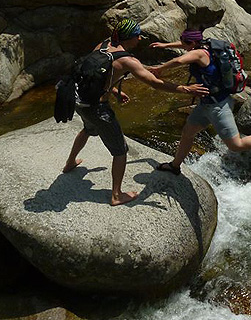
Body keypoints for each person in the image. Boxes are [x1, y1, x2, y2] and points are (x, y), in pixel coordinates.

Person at [62, 19, 209, 206]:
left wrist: (114, 91)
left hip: (80, 101)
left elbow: (93, 74)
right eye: (137, 35)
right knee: (120, 151)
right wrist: (185, 89)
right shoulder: (128, 61)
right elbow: (154, 83)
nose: (140, 38)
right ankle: (116, 195)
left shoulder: (103, 44)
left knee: (88, 130)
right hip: (98, 109)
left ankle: (70, 163)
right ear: (129, 38)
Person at [148, 29, 251, 175]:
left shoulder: (198, 53)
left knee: (236, 145)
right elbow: (185, 45)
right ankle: (175, 165)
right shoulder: (206, 45)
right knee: (187, 133)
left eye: (185, 43)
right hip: (206, 104)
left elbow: (178, 60)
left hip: (218, 106)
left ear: (192, 43)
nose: (183, 46)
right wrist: (165, 45)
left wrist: (160, 69)